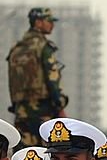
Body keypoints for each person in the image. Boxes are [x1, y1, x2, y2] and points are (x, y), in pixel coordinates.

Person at [7, 8, 67, 146]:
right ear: (38, 22)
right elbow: (52, 80)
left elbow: (12, 80)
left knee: (25, 157)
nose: (52, 24)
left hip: (21, 111)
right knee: (45, 157)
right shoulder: (43, 47)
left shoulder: (16, 48)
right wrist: (60, 106)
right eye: (49, 21)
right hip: (43, 111)